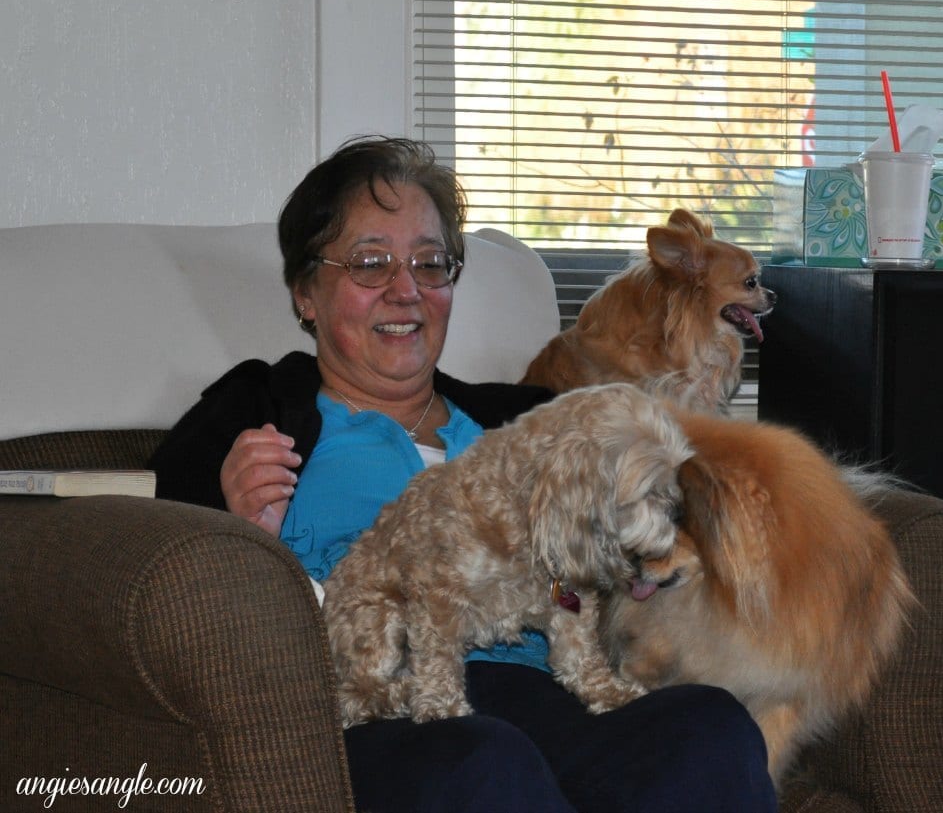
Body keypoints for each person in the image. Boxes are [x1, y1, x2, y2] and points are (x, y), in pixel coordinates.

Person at [149, 135, 778, 813]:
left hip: (550, 698)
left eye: (430, 264)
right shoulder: (259, 407)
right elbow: (168, 568)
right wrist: (242, 533)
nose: (405, 290)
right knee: (486, 761)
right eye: (370, 264)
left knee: (707, 727)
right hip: (386, 706)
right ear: (307, 292)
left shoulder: (524, 417)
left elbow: (641, 534)